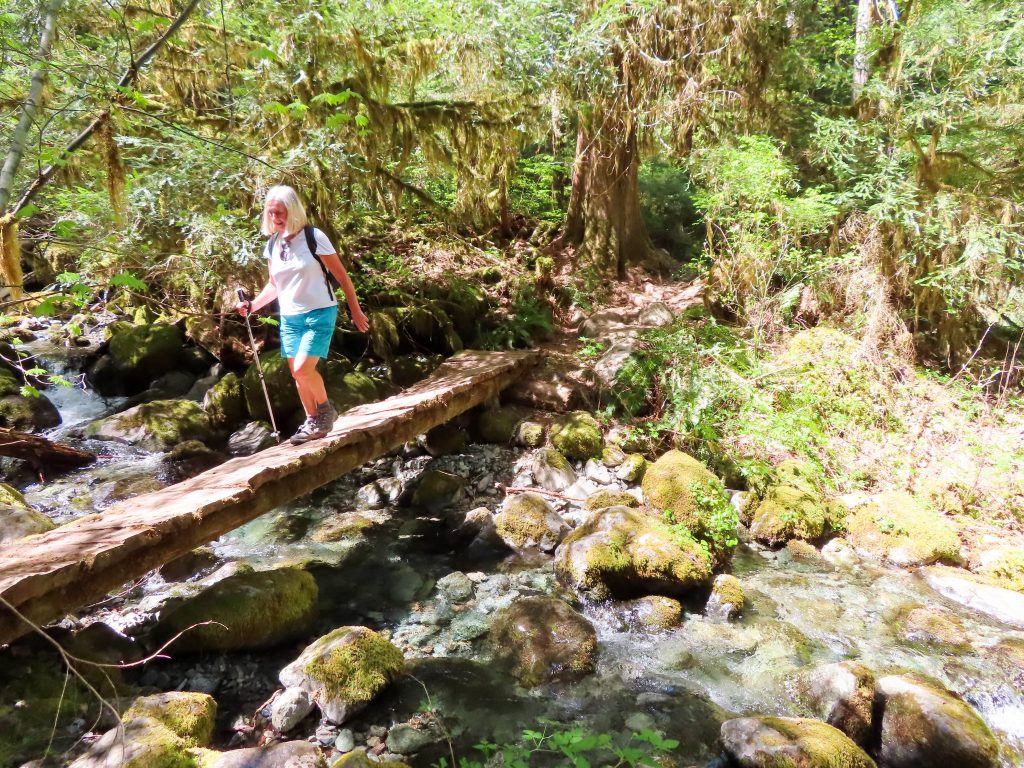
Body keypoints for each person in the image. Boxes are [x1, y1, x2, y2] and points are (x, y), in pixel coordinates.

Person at [237, 185, 369, 444]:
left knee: (302, 368)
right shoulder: (273, 245)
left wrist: (355, 310)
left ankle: (325, 412)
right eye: (271, 213)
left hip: (319, 312)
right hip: (290, 318)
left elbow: (342, 277)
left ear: (293, 210)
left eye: (280, 212)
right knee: (297, 373)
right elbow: (274, 285)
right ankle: (313, 422)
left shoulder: (314, 237)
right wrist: (252, 305)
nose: (276, 218)